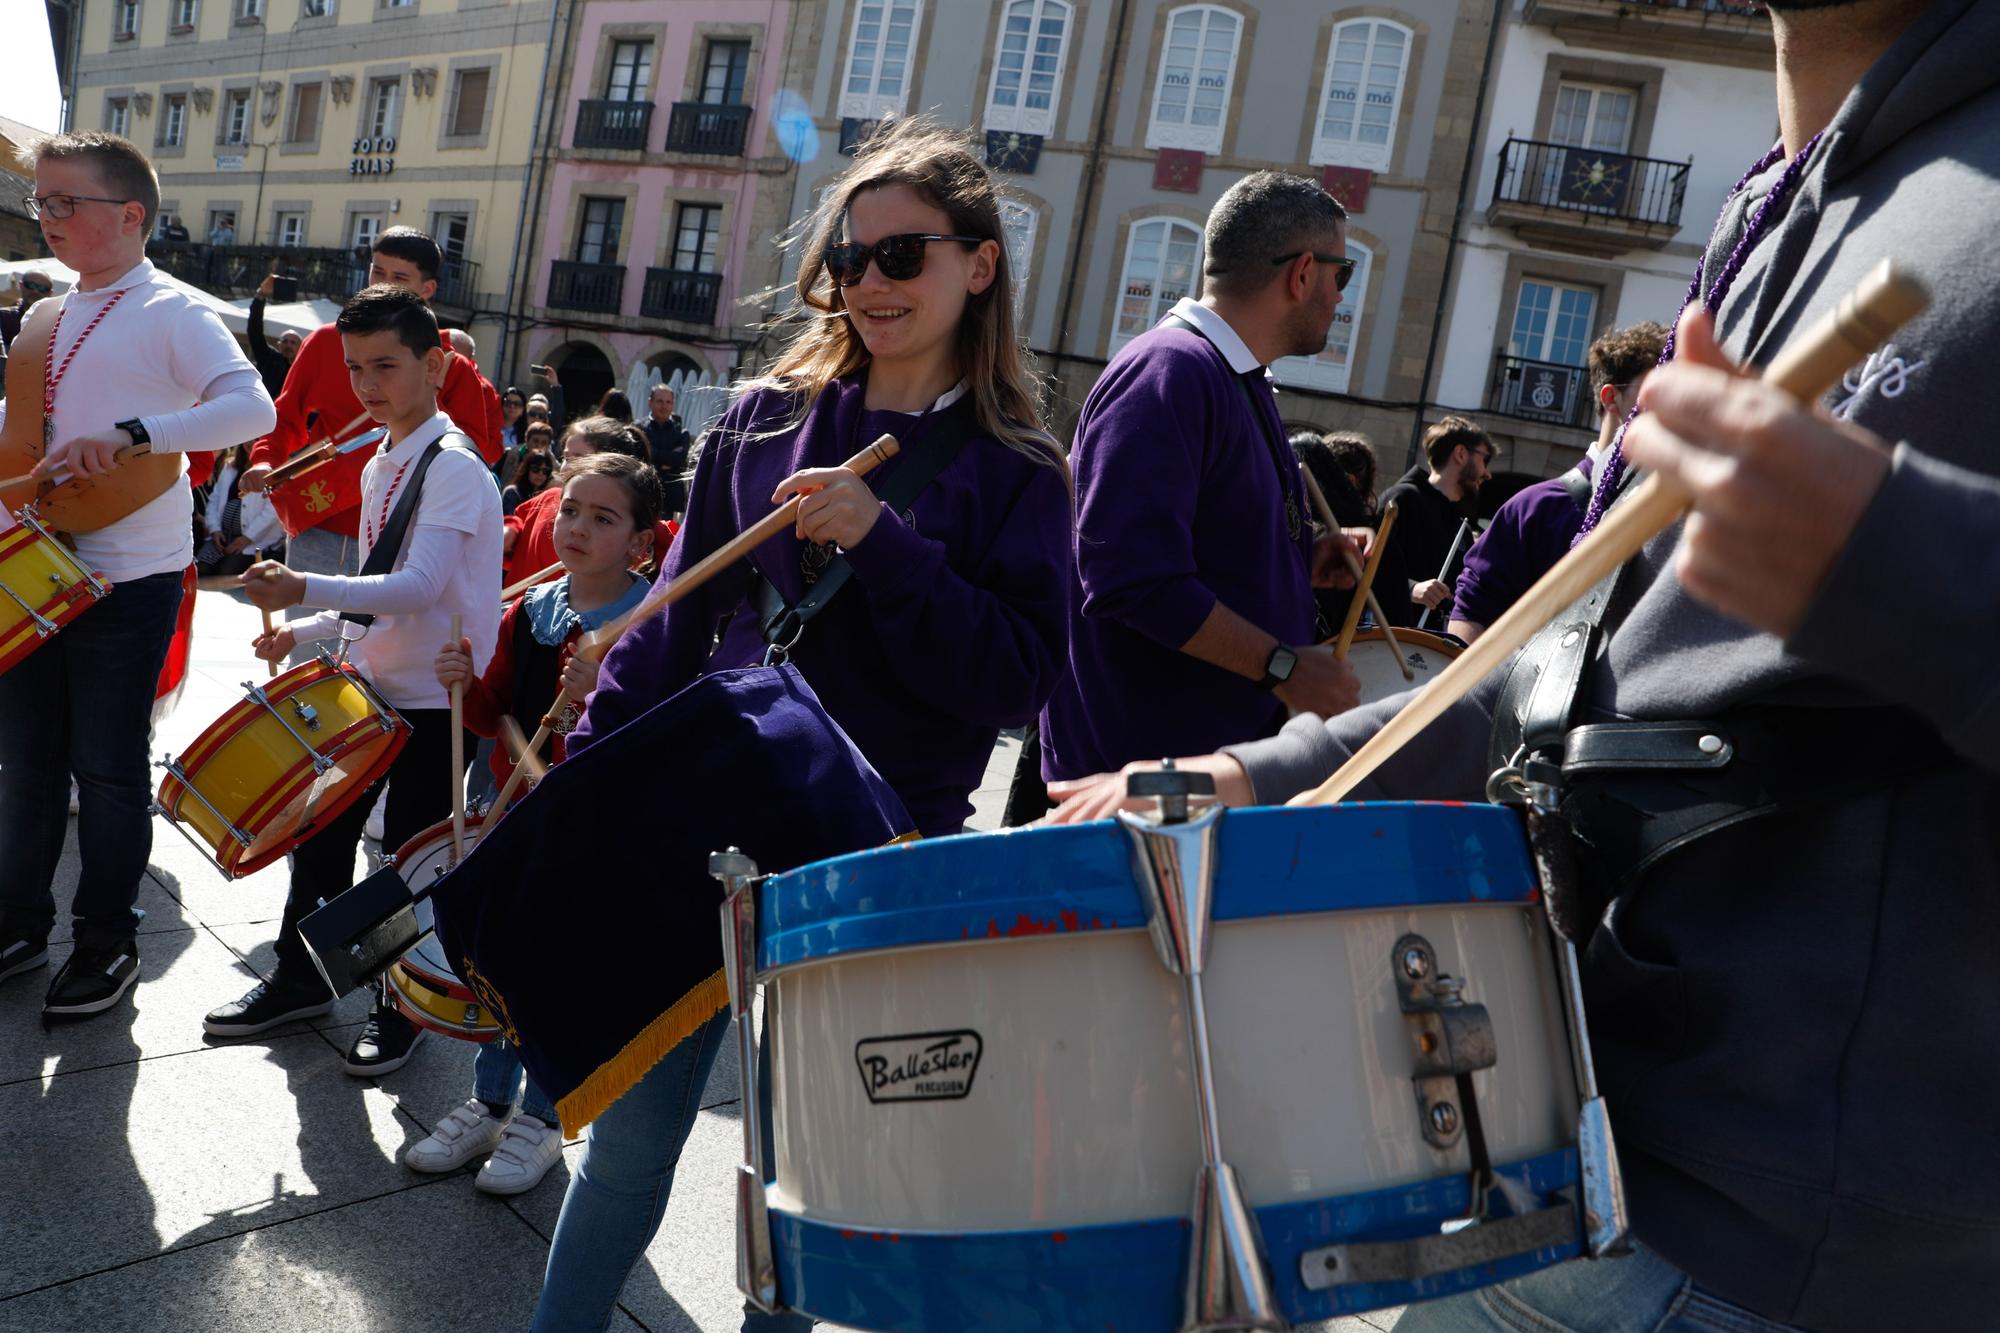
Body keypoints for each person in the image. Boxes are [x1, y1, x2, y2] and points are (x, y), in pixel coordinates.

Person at [1049, 0, 2000, 1326]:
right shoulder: (1775, 206)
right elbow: (1559, 653)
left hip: (1791, 1246)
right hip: (1555, 1151)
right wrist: (1260, 775)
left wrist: (1898, 557)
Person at [529, 115, 1071, 1333]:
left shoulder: (1019, 469)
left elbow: (1014, 684)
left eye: (902, 256)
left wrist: (885, 544)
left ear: (978, 264)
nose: (868, 285)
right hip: (700, 828)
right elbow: (668, 631)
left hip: (870, 855)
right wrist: (585, 781)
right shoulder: (761, 419)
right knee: (627, 1145)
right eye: (849, 259)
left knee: (801, 1175)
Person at [0, 131, 275, 1016]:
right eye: (41, 200)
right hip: (39, 570)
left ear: (129, 216)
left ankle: (106, 941)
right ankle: (17, 921)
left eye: (62, 202)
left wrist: (133, 432)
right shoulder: (52, 312)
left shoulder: (174, 311)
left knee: (109, 768)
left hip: (129, 579)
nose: (45, 216)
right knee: (28, 764)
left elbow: (251, 404)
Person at [204, 285, 502, 1079]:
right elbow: (378, 589)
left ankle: (400, 1011)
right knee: (322, 842)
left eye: (386, 366)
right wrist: (306, 632)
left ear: (435, 365)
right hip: (372, 690)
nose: (368, 385)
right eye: (354, 367)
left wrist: (305, 592)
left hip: (437, 702)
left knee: (406, 866)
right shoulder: (381, 458)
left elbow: (418, 585)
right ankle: (302, 980)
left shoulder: (455, 469)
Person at [1038, 170, 1364, 792]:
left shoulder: (1234, 377)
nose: (1341, 297)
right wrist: (1286, 667)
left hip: (1188, 778)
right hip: (1140, 787)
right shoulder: (1172, 372)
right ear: (1301, 273)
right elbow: (1133, 582)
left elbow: (1202, 552)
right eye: (1340, 275)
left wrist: (1296, 559)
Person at [413, 451, 662, 1196]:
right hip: (514, 813)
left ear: (641, 544)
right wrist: (462, 684)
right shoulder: (534, 610)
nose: (576, 527)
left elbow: (654, 739)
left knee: (555, 973)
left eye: (603, 517)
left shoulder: (655, 626)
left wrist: (603, 699)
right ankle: (489, 1099)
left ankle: (546, 1117)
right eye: (570, 509)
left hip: (593, 827)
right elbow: (495, 716)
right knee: (498, 966)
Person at [238, 226, 502, 664]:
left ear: (427, 289)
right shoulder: (328, 341)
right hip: (320, 512)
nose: (367, 384)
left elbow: (478, 447)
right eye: (376, 271)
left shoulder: (447, 363)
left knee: (373, 662)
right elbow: (286, 413)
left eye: (399, 279)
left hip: (411, 527)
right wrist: (266, 459)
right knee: (308, 676)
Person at [1449, 322, 1668, 643]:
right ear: (1612, 398)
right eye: (1656, 390)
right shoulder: (1534, 508)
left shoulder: (1677, 515)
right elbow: (1470, 615)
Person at [1375, 414, 1494, 626]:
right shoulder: (1403, 499)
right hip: (1389, 642)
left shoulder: (1460, 525)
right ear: (1460, 454)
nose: (1487, 473)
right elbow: (1368, 566)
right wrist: (1411, 589)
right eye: (1485, 459)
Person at [501, 415, 647, 587]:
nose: (566, 467)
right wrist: (512, 529)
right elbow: (521, 520)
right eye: (565, 458)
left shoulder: (621, 522)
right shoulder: (550, 496)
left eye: (578, 459)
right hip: (518, 608)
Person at [197, 443, 285, 577]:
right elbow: (215, 498)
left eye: (258, 439)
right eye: (249, 439)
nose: (251, 443)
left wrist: (247, 537)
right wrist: (215, 529)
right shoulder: (230, 466)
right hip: (222, 537)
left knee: (227, 572)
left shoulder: (275, 470)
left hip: (253, 541)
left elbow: (272, 511)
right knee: (202, 569)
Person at [245, 269, 303, 398]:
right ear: (278, 344)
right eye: (285, 341)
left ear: (300, 348)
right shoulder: (268, 358)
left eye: (293, 342)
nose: (288, 345)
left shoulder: (302, 371)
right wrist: (261, 295)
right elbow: (254, 330)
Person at [641, 382, 692, 515]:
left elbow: (679, 459)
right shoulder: (639, 429)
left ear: (673, 404)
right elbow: (642, 456)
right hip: (642, 493)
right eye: (660, 401)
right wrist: (667, 458)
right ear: (650, 402)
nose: (664, 406)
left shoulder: (681, 432)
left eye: (668, 402)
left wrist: (654, 456)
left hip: (669, 498)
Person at [0, 267, 53, 351]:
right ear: (21, 285)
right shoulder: (4, 317)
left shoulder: (55, 324)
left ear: (50, 293)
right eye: (31, 285)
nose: (35, 291)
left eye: (43, 288)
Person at [501, 446, 556, 517]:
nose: (540, 474)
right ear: (527, 469)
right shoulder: (512, 493)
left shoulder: (547, 496)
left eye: (545, 471)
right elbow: (508, 521)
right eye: (535, 469)